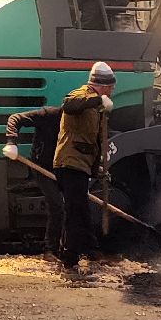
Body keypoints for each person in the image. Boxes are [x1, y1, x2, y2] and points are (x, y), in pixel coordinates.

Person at [47, 61, 115, 270]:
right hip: (69, 163)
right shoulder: (82, 95)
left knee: (81, 211)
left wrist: (98, 170)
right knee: (76, 211)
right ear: (102, 86)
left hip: (80, 165)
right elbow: (68, 105)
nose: (112, 91)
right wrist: (97, 99)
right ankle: (70, 260)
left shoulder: (99, 108)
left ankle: (92, 252)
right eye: (110, 87)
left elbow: (94, 142)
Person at [2, 104, 68, 263]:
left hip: (65, 166)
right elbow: (15, 118)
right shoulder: (49, 115)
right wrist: (11, 142)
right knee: (57, 205)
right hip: (41, 166)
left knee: (74, 205)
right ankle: (50, 251)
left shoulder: (81, 121)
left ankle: (70, 249)